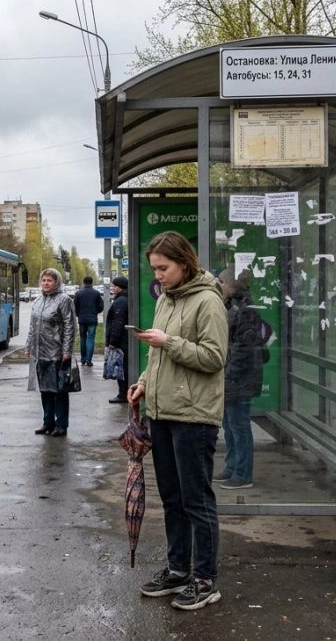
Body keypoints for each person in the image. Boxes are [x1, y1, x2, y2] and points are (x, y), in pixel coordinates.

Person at [129, 231, 228, 611]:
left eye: (164, 268)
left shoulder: (208, 301)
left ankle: (205, 579)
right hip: (162, 412)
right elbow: (158, 361)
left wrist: (168, 342)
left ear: (184, 263)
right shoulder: (166, 301)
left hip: (194, 416)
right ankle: (178, 569)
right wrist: (141, 384)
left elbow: (214, 357)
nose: (158, 276)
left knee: (196, 500)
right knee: (172, 498)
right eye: (154, 269)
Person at [215, 269, 263, 490]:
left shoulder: (243, 309)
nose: (219, 285)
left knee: (238, 425)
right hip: (233, 375)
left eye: (222, 282)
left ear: (231, 285)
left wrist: (230, 373)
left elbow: (243, 347)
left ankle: (242, 473)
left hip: (239, 377)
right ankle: (233, 466)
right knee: (230, 424)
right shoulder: (233, 306)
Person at [27, 268, 77, 437]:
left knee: (59, 390)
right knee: (45, 389)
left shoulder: (64, 300)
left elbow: (70, 326)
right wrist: (29, 347)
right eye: (44, 280)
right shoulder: (38, 300)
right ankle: (48, 422)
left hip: (57, 352)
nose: (46, 283)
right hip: (40, 352)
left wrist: (67, 351)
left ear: (57, 282)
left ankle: (61, 424)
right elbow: (33, 326)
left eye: (49, 280)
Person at [104, 275, 130, 403]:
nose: (112, 288)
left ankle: (123, 394)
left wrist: (113, 341)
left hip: (121, 342)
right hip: (125, 339)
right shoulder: (125, 299)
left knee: (121, 368)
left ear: (120, 287)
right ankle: (124, 393)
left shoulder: (120, 302)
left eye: (114, 286)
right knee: (123, 367)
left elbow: (117, 323)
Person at [73, 276, 104, 366]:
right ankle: (89, 360)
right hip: (92, 319)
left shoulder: (78, 293)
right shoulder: (96, 293)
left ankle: (83, 359)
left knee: (83, 338)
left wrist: (79, 314)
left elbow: (75, 307)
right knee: (90, 338)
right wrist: (95, 312)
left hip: (82, 319)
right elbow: (101, 307)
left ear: (84, 282)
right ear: (92, 282)